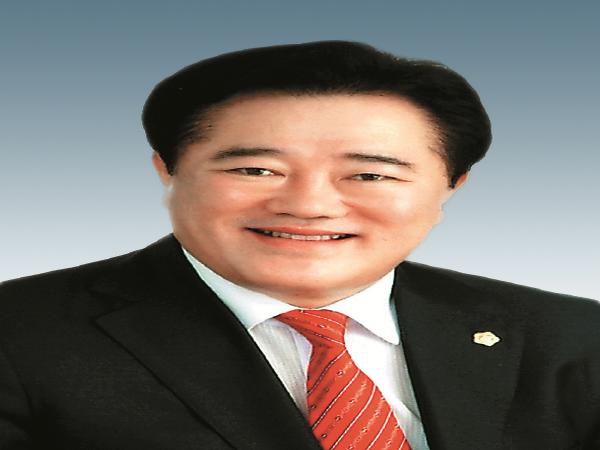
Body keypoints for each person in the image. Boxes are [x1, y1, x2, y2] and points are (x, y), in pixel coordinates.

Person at [0, 41, 598, 450]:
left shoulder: (572, 337)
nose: (309, 205)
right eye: (256, 170)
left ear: (452, 185)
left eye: (369, 175)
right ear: (168, 170)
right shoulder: (18, 336)